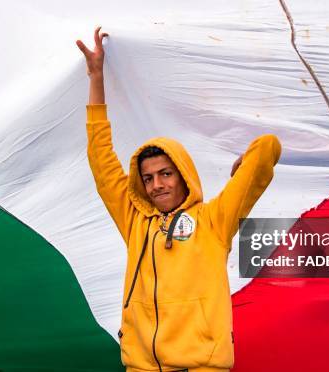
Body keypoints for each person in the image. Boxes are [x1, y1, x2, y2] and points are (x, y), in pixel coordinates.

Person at [76, 27, 282, 372]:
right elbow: (100, 157)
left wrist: (246, 161)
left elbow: (268, 147)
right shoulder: (134, 221)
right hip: (142, 366)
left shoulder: (214, 219)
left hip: (201, 366)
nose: (156, 184)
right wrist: (96, 77)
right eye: (148, 178)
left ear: (183, 175)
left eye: (166, 173)